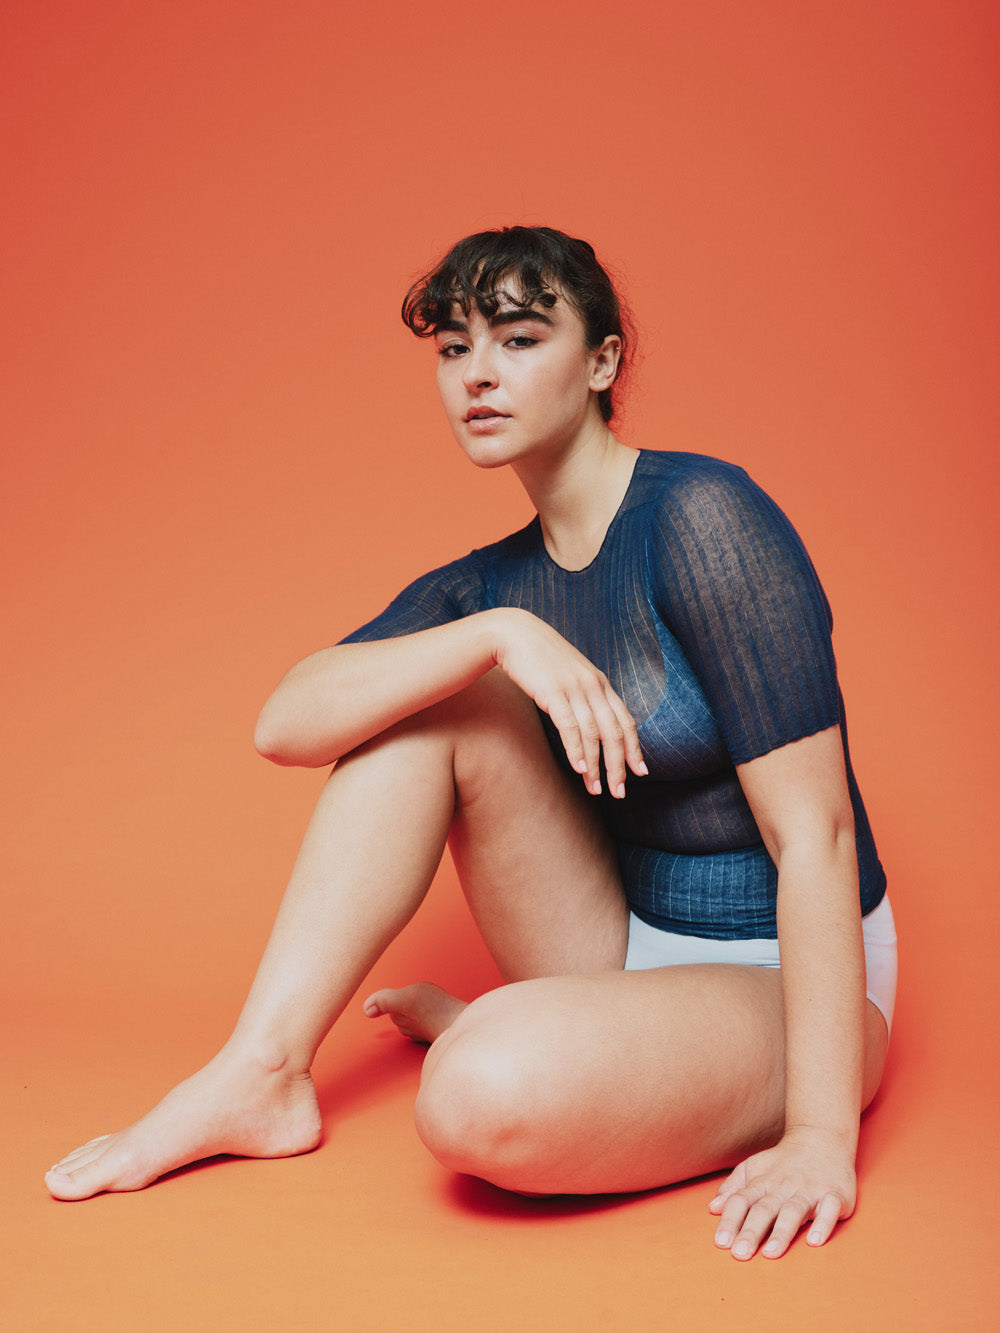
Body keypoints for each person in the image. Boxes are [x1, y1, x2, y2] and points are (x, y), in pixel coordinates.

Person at [45, 225, 896, 1262]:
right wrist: (497, 635)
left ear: (603, 362)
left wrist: (817, 1136)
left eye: (519, 338)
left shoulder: (706, 519)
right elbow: (286, 723)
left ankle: (531, 1036)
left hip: (790, 975)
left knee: (478, 1098)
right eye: (453, 349)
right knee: (433, 703)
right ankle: (258, 1073)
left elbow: (815, 833)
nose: (477, 376)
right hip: (619, 945)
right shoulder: (492, 584)